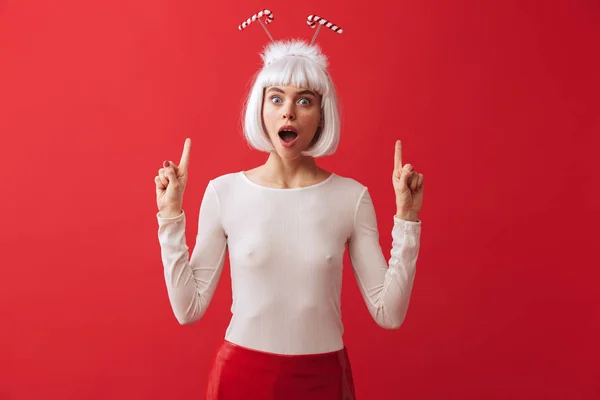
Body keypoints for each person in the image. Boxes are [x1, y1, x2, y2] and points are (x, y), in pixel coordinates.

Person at [154, 37, 424, 399]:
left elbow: (389, 313)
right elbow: (188, 309)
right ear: (261, 109)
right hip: (241, 379)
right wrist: (170, 215)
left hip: (323, 381)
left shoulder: (351, 197)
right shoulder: (224, 193)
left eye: (304, 101)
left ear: (322, 115)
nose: (288, 112)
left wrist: (407, 219)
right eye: (277, 98)